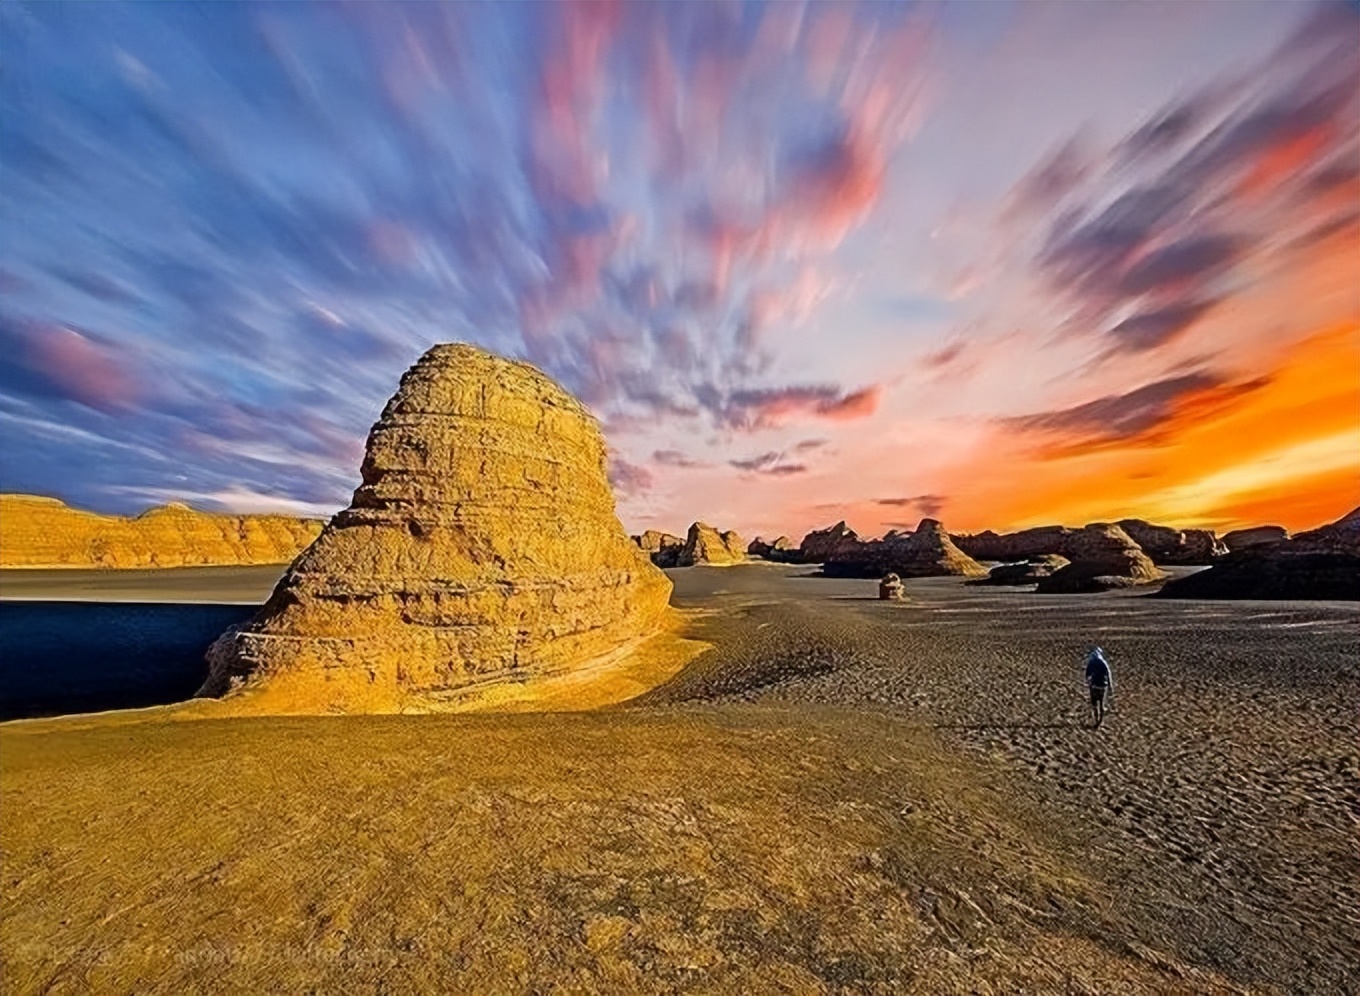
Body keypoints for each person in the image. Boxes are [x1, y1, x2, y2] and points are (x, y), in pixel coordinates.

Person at [1085, 646, 1113, 727]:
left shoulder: (1091, 662)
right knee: (1101, 704)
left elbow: (1087, 675)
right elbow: (1108, 674)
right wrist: (1110, 686)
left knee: (1094, 704)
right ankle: (1100, 721)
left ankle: (1096, 719)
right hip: (1103, 686)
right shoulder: (1103, 662)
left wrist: (1089, 683)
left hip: (1094, 686)